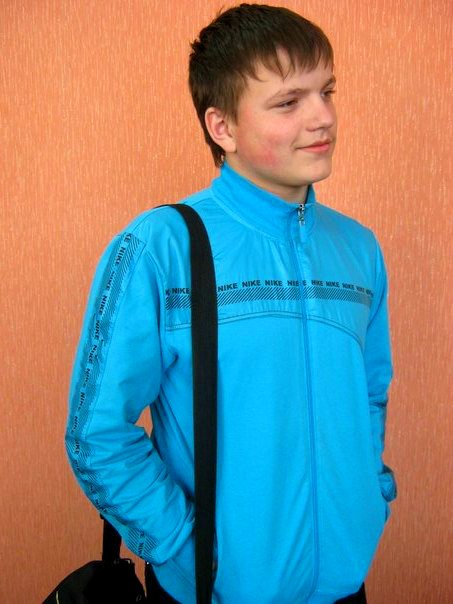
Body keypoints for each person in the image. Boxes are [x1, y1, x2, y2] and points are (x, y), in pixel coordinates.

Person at [65, 4, 397, 603]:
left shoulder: (357, 248)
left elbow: (369, 393)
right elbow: (96, 433)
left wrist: (370, 495)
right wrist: (184, 549)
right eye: (288, 101)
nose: (323, 116)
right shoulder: (160, 248)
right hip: (213, 590)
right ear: (222, 127)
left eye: (326, 91)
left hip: (345, 586)